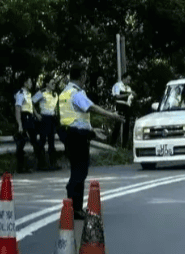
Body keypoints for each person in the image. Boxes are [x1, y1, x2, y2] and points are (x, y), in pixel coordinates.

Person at [58, 66, 124, 220]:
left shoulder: (64, 93)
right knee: (80, 171)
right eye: (85, 76)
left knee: (76, 169)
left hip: (69, 135)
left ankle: (71, 204)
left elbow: (75, 119)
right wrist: (112, 115)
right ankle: (76, 208)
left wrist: (92, 131)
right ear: (81, 76)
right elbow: (91, 107)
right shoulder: (76, 93)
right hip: (78, 137)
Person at [13, 75, 45, 173]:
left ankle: (41, 164)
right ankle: (21, 167)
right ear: (25, 83)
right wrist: (19, 124)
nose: (31, 83)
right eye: (29, 81)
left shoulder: (28, 93)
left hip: (30, 117)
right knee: (21, 143)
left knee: (34, 141)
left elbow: (31, 105)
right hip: (24, 117)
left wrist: (36, 114)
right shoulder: (20, 94)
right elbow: (17, 109)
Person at [33, 76, 60, 170]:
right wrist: (36, 114)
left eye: (54, 83)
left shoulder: (55, 94)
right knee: (43, 140)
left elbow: (55, 106)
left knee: (52, 141)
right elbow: (30, 102)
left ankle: (53, 163)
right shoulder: (42, 93)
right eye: (52, 83)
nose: (54, 85)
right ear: (47, 84)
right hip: (44, 118)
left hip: (52, 118)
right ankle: (41, 164)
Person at [109, 74, 135, 148]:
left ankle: (124, 146)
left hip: (127, 106)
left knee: (126, 126)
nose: (128, 81)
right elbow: (116, 96)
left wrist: (131, 96)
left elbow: (130, 98)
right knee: (117, 124)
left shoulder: (129, 88)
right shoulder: (117, 85)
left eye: (130, 80)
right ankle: (112, 143)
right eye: (127, 79)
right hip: (120, 105)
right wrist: (127, 94)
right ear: (123, 78)